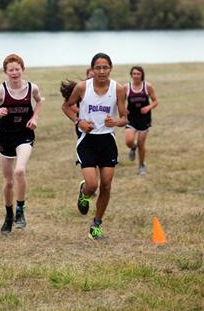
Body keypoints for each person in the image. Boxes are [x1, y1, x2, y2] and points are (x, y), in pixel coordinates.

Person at [61, 53, 127, 240]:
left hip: (107, 141)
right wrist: (78, 121)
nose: (101, 71)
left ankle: (96, 224)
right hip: (87, 141)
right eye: (98, 68)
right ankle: (84, 193)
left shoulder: (118, 89)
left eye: (105, 67)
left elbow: (124, 117)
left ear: (110, 69)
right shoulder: (83, 87)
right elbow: (66, 106)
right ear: (92, 70)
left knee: (106, 185)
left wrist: (115, 122)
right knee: (92, 185)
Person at [0, 54, 42, 234]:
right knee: (8, 182)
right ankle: (9, 215)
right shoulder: (0, 91)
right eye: (11, 70)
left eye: (17, 69)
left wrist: (34, 117)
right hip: (5, 137)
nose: (15, 73)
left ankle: (20, 211)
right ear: (5, 72)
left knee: (20, 171)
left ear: (22, 69)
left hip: (24, 135)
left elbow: (39, 101)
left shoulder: (32, 88)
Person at [124, 66, 159, 175]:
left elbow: (155, 101)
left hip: (144, 118)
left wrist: (148, 107)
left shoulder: (147, 86)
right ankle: (133, 148)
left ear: (142, 75)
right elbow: (120, 102)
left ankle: (141, 165)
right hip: (131, 118)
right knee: (129, 141)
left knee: (141, 143)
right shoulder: (127, 87)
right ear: (131, 75)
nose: (136, 76)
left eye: (138, 74)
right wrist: (123, 110)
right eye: (134, 74)